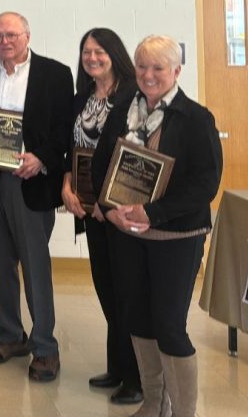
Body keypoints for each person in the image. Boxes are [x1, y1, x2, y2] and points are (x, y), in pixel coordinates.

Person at [92, 36, 222, 417]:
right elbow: (100, 167)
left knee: (169, 326)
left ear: (177, 71)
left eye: (158, 68)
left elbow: (205, 185)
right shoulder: (121, 112)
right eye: (142, 67)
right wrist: (108, 209)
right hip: (126, 234)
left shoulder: (197, 119)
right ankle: (153, 404)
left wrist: (155, 213)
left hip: (175, 238)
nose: (148, 75)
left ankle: (183, 411)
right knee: (137, 318)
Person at [0, 11, 72, 382]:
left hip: (32, 182)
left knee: (35, 267)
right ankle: (10, 335)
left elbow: (63, 131)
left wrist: (42, 161)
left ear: (27, 35)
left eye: (11, 35)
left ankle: (44, 347)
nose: (4, 42)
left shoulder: (55, 74)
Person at [59, 28, 142, 405]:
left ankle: (138, 378)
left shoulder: (133, 96)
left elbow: (134, 158)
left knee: (127, 292)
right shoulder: (82, 97)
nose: (92, 58)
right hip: (89, 209)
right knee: (107, 289)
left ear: (114, 54)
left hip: (117, 211)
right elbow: (72, 147)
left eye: (99, 51)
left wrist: (109, 203)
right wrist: (66, 186)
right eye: (86, 52)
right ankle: (118, 367)